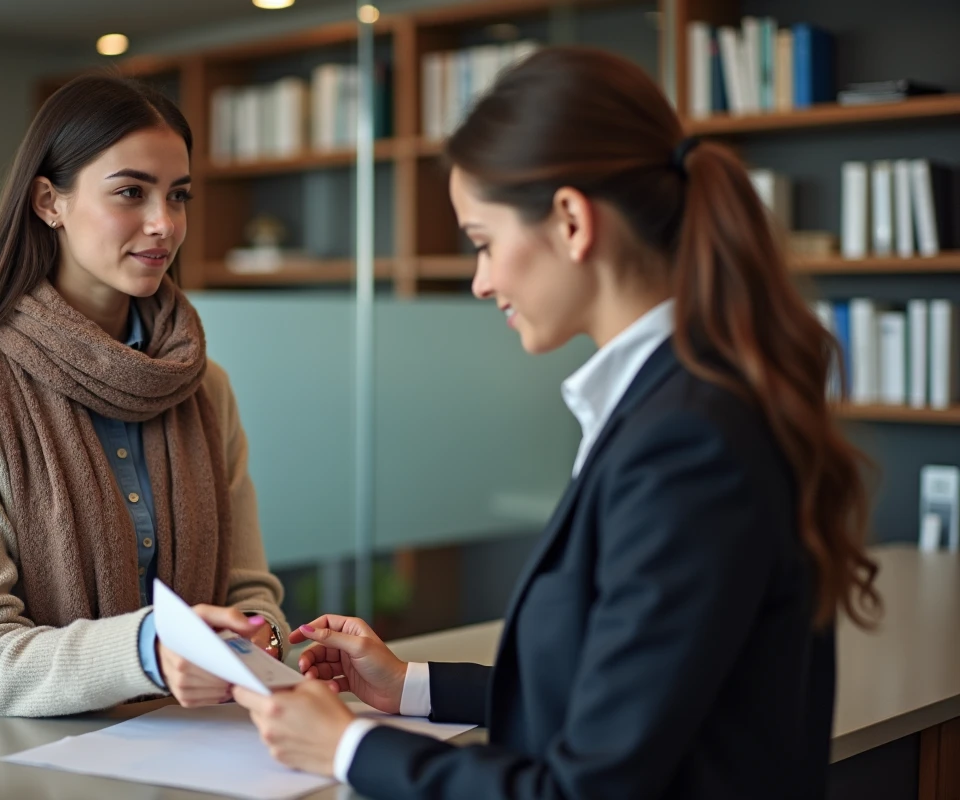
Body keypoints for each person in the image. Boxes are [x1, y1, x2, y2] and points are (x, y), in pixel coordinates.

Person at [232, 47, 880, 800]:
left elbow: (586, 787)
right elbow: (618, 689)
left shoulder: (689, 441)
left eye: (483, 242)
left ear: (572, 221)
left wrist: (347, 748)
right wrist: (408, 685)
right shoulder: (674, 403)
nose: (480, 281)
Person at [0, 75, 288, 728]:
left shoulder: (205, 388)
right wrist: (149, 648)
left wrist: (264, 640)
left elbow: (248, 591)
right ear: (48, 202)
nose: (164, 224)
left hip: (190, 740)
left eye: (179, 196)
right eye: (130, 192)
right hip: (8, 760)